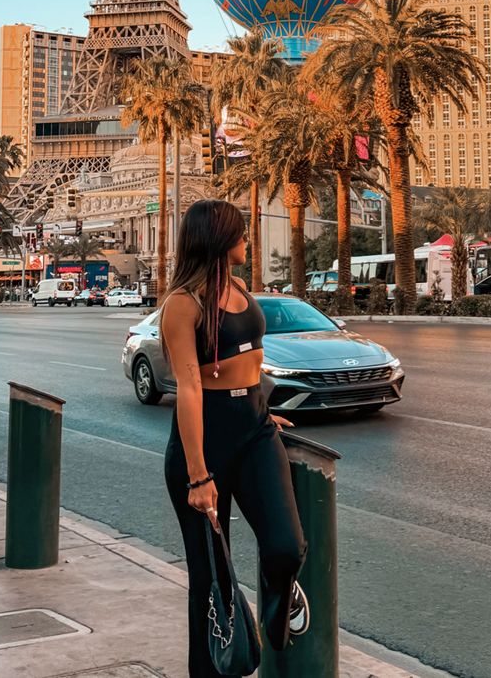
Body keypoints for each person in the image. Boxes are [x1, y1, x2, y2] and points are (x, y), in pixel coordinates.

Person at [162, 199, 309, 678]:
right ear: (220, 239)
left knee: (287, 545)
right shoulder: (183, 304)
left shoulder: (241, 289)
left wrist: (261, 410)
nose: (248, 240)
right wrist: (198, 473)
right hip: (205, 441)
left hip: (255, 428)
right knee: (209, 581)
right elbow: (188, 388)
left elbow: (252, 363)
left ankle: (275, 608)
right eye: (241, 233)